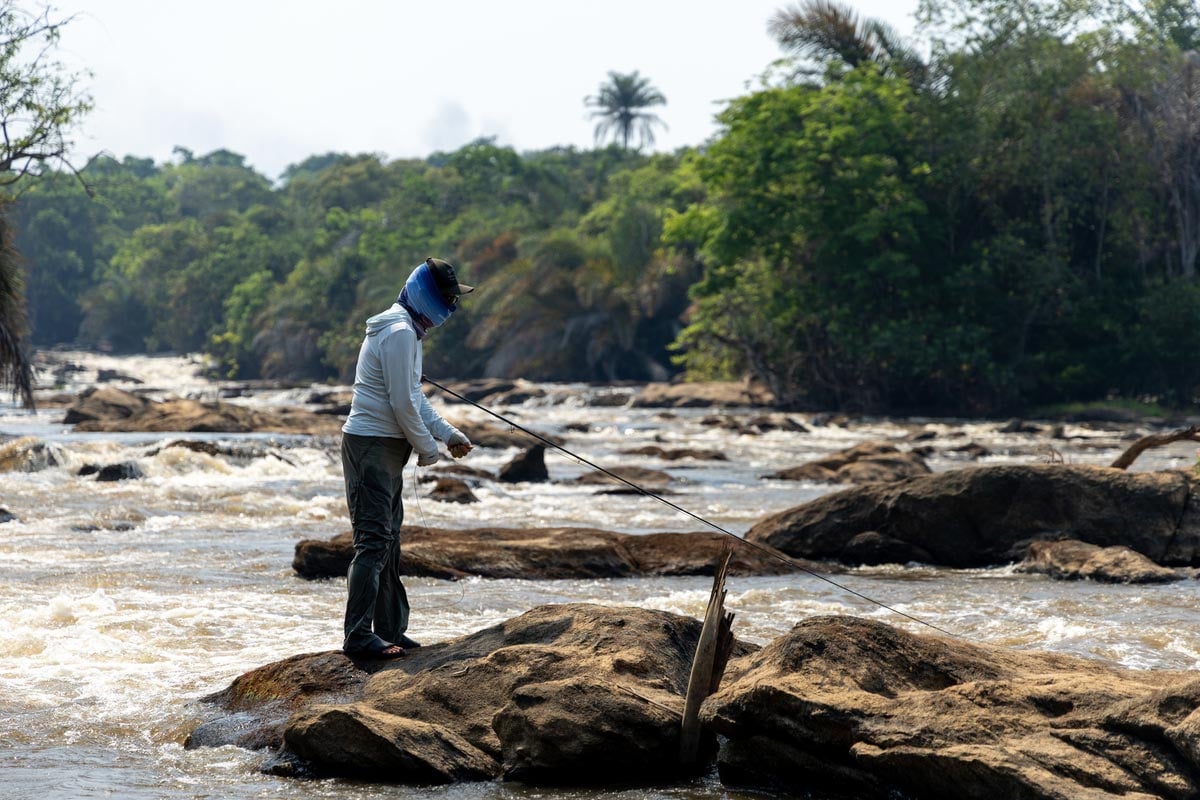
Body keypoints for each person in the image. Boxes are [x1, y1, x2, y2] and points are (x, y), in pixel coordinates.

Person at [339, 257, 475, 659]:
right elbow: (400, 402)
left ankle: (392, 630)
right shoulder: (399, 332)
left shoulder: (408, 332)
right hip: (371, 446)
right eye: (447, 296)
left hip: (387, 448)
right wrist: (429, 449)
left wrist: (448, 433)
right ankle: (358, 636)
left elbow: (413, 395)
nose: (451, 304)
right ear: (426, 294)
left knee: (390, 541)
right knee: (373, 541)